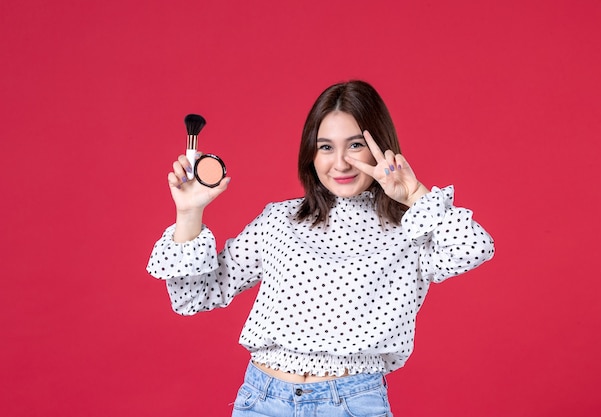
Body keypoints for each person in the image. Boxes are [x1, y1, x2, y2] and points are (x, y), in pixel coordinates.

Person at [147, 80, 494, 417]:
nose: (340, 163)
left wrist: (414, 194)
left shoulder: (412, 227)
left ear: (382, 147)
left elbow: (473, 247)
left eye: (355, 145)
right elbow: (195, 295)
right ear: (311, 152)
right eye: (326, 146)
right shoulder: (281, 220)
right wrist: (189, 212)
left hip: (351, 403)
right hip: (262, 399)